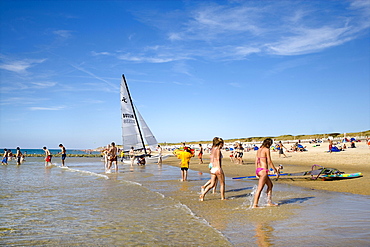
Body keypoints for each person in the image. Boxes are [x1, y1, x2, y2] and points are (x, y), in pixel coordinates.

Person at [252, 138, 279, 208]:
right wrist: (275, 170)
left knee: (270, 185)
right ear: (268, 144)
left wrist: (256, 171)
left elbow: (256, 160)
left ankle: (269, 202)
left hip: (258, 170)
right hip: (264, 171)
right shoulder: (266, 150)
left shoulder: (259, 149)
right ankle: (255, 205)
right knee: (259, 188)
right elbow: (269, 161)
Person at [200, 137, 226, 201]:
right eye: (222, 144)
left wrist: (210, 166)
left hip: (212, 168)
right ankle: (223, 198)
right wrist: (219, 168)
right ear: (220, 143)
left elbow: (212, 159)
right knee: (222, 183)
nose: (223, 145)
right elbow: (217, 159)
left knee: (212, 184)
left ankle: (203, 194)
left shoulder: (213, 149)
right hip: (217, 168)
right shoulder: (218, 150)